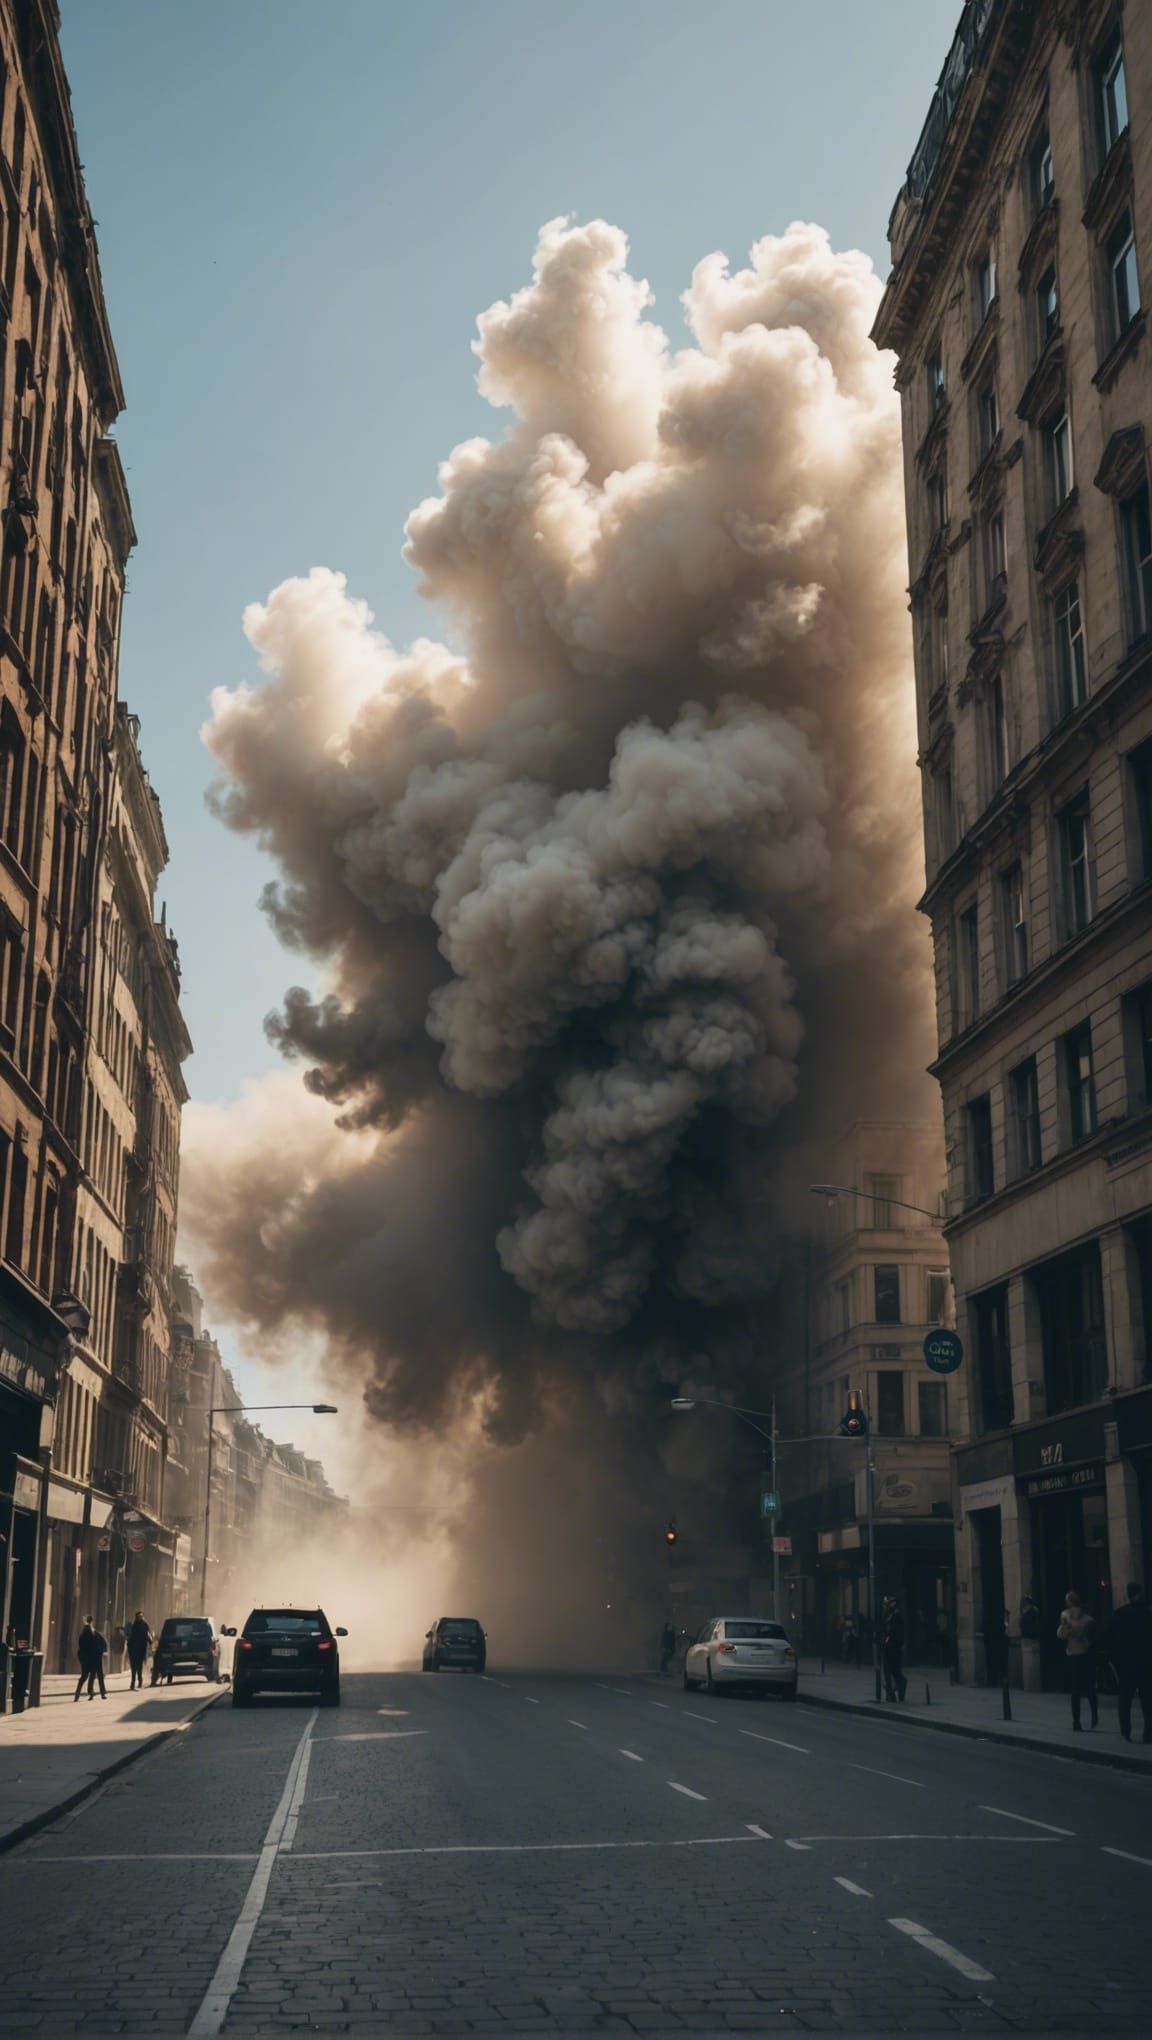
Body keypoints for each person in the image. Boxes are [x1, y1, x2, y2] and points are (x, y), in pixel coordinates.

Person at [1103, 1583, 1152, 1744]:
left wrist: (1112, 1659)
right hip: (1145, 1662)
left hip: (1125, 1664)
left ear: (1128, 1595)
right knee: (1147, 1699)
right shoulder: (1147, 1613)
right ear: (1140, 1593)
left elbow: (1108, 1639)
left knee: (1125, 1699)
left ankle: (1126, 1732)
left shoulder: (1119, 1614)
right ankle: (1148, 1733)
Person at [1057, 1589, 1097, 1731]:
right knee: (1087, 1688)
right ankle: (1090, 1718)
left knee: (1077, 1690)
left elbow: (1061, 1635)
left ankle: (1077, 1722)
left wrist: (1066, 1627)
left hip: (1076, 1654)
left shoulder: (1068, 1616)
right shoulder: (1085, 1618)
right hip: (1082, 1654)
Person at [74, 1617, 108, 1701]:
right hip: (95, 1657)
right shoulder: (94, 1632)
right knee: (96, 1675)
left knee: (85, 1676)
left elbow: (81, 1646)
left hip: (88, 1657)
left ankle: (80, 1693)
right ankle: (100, 1693)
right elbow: (103, 1642)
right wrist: (103, 1651)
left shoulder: (84, 1633)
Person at [882, 1595, 907, 1703]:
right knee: (888, 1672)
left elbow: (896, 1633)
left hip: (894, 1648)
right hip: (889, 1647)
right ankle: (891, 1695)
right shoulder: (890, 1615)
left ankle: (898, 1692)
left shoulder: (897, 1616)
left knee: (895, 1672)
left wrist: (889, 1639)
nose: (887, 1605)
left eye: (889, 1603)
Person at [126, 1610, 152, 1692]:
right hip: (134, 1649)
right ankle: (134, 1682)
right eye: (138, 1616)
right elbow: (130, 1637)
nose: (140, 1618)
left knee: (139, 1666)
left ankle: (139, 1681)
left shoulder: (144, 1625)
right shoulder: (134, 1626)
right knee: (134, 1667)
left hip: (140, 1648)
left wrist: (149, 1643)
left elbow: (148, 1635)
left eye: (141, 1616)